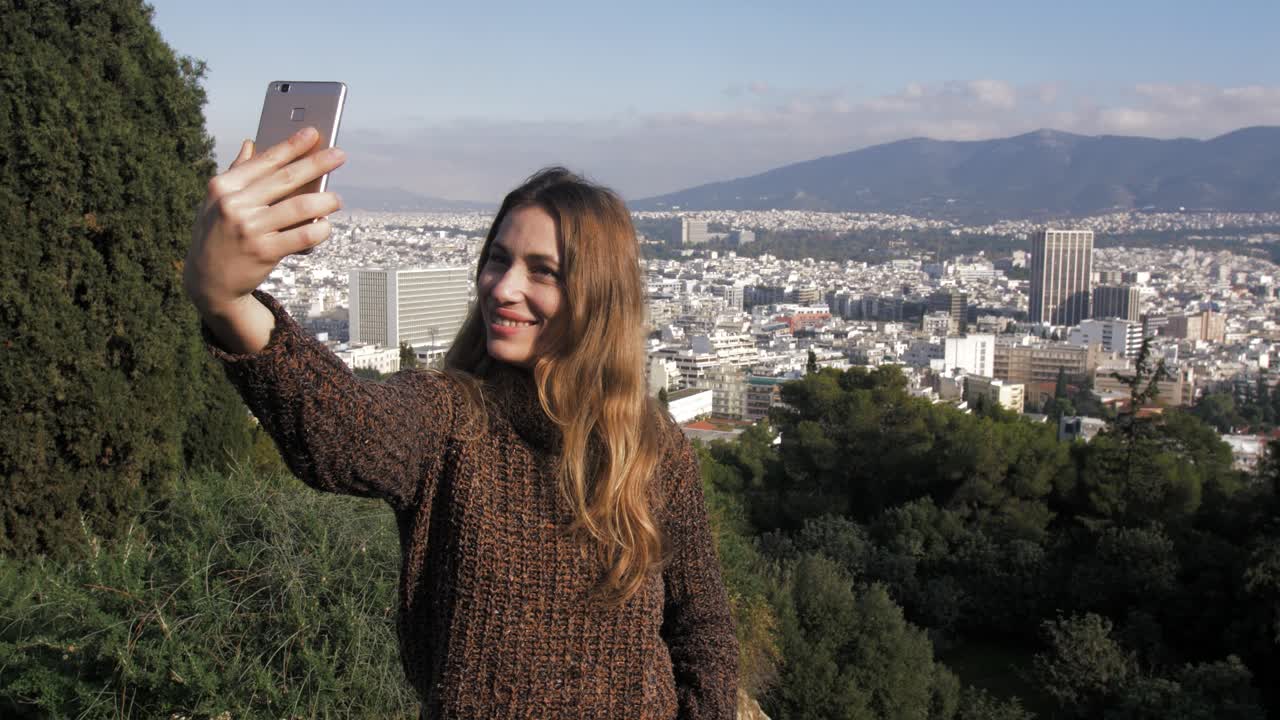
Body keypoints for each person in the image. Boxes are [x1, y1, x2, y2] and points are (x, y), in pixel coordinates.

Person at [184, 127, 739, 719]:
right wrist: (228, 303)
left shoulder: (650, 445)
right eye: (498, 260)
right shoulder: (453, 420)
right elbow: (342, 431)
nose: (504, 288)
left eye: (542, 271)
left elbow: (701, 626)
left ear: (599, 295)